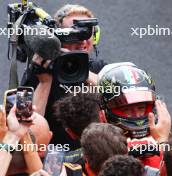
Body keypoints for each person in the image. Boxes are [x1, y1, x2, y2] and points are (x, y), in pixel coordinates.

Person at [21, 4, 107, 147]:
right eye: (73, 34)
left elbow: (119, 97)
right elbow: (26, 127)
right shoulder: (39, 71)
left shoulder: (101, 69)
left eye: (86, 32)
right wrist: (44, 82)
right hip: (53, 158)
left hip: (96, 154)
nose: (82, 40)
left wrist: (80, 70)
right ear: (57, 37)